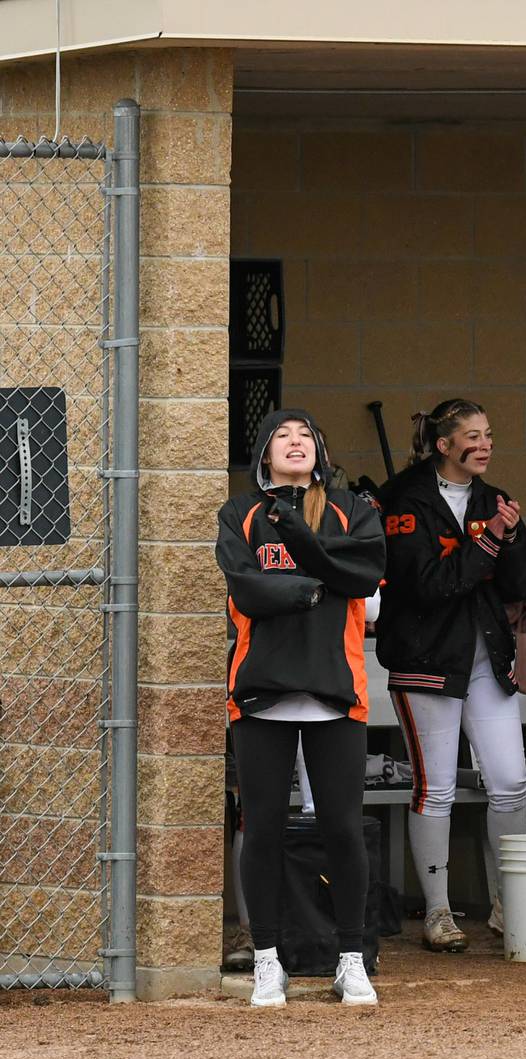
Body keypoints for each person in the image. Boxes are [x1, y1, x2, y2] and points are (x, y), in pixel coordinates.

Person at [216, 409, 386, 1007]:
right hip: (261, 689)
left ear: (320, 451)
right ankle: (267, 960)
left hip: (335, 688)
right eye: (282, 436)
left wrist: (305, 545)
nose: (295, 442)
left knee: (341, 829)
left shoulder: (353, 509)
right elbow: (246, 587)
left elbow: (365, 573)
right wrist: (316, 586)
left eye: (306, 435)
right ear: (264, 453)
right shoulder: (239, 514)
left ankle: (350, 959)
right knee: (261, 830)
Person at [375, 398, 526, 952]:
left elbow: (521, 585)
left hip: (485, 658)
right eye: (472, 436)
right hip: (425, 659)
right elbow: (427, 585)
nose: (485, 444)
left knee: (510, 781)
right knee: (437, 788)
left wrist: (508, 538)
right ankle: (439, 912)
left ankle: (507, 904)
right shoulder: (405, 498)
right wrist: (490, 539)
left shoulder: (495, 499)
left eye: (489, 434)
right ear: (444, 445)